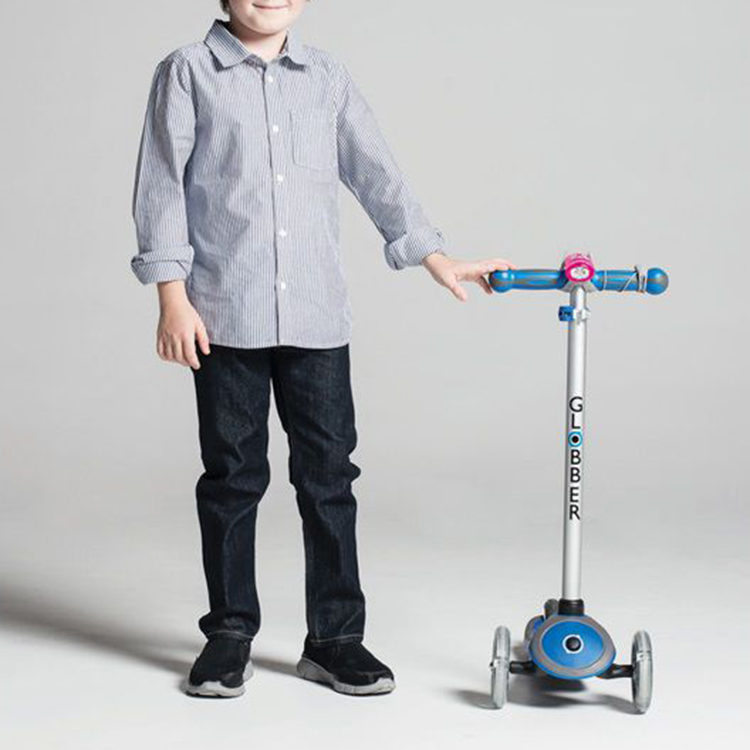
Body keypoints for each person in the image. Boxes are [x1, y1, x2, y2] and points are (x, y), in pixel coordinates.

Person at [130, 0, 514, 698]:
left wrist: (435, 257)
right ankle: (228, 634)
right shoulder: (187, 73)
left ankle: (336, 640)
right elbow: (161, 185)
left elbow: (377, 173)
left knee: (329, 478)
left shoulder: (327, 78)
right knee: (232, 477)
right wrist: (171, 297)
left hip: (317, 319)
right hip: (224, 317)